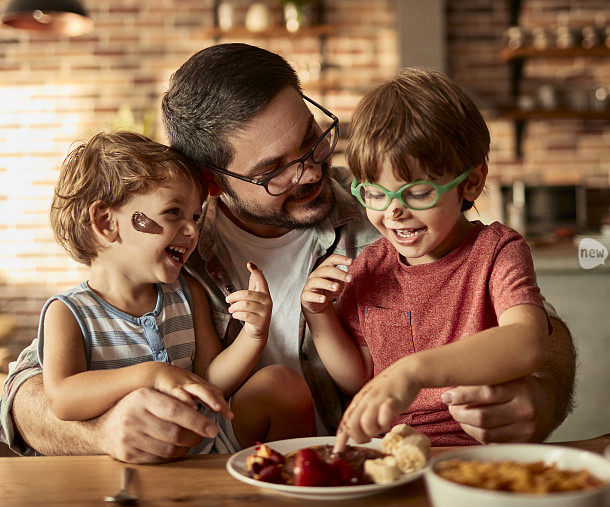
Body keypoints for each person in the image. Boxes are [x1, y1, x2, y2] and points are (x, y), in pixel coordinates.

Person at [0, 43, 576, 463]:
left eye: (311, 139)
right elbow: (25, 387)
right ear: (214, 182)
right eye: (273, 169)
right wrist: (98, 432)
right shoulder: (169, 253)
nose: (309, 171)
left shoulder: (382, 210)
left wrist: (539, 393)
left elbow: (539, 332)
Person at [302, 69, 551, 447]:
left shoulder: (497, 251)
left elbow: (527, 341)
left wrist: (414, 371)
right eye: (374, 193)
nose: (393, 211)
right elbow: (360, 375)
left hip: (478, 450)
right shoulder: (370, 265)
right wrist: (318, 317)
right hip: (391, 452)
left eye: (417, 193)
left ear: (470, 183)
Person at [36, 131, 315, 454]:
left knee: (283, 385)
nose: (193, 229)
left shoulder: (186, 293)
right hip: (133, 454)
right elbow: (63, 398)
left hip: (207, 437)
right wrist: (152, 374)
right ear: (106, 223)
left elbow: (210, 381)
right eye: (173, 212)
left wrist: (254, 335)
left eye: (196, 216)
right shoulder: (69, 313)